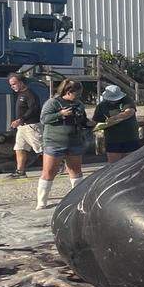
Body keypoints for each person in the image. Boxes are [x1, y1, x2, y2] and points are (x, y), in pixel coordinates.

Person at [37, 79, 92, 209]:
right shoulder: (53, 103)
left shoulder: (79, 104)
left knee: (75, 171)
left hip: (74, 142)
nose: (78, 96)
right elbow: (44, 119)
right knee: (49, 172)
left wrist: (91, 123)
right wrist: (60, 114)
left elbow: (83, 120)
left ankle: (78, 199)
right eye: (77, 93)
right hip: (54, 142)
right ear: (68, 91)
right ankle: (41, 201)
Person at [6, 73, 42, 178]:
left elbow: (34, 109)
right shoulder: (20, 94)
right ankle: (20, 171)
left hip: (32, 126)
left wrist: (21, 119)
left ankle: (59, 164)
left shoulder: (30, 94)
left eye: (14, 84)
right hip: (22, 127)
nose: (12, 86)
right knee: (19, 148)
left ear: (21, 83)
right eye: (11, 85)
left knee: (40, 148)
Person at [92, 84, 139, 162]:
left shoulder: (126, 100)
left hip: (130, 137)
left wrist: (114, 118)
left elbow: (130, 112)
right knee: (113, 165)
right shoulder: (101, 106)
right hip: (112, 139)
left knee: (131, 164)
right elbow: (95, 121)